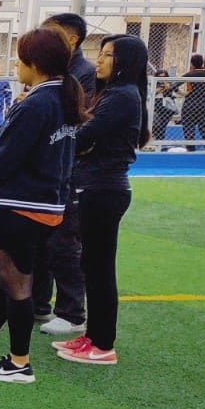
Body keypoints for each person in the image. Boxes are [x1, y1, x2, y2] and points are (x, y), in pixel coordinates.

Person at [0, 27, 83, 384]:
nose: (17, 67)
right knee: (8, 279)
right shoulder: (64, 98)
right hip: (48, 205)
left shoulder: (37, 103)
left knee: (16, 284)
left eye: (21, 60)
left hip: (22, 203)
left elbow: (9, 156)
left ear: (34, 63)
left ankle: (19, 362)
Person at [54, 34, 149, 366]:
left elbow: (84, 135)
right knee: (91, 265)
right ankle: (93, 335)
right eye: (102, 53)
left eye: (109, 55)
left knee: (99, 268)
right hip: (98, 186)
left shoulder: (122, 96)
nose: (101, 60)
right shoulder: (114, 94)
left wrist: (58, 131)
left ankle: (103, 343)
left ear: (125, 62)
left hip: (104, 189)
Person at [32, 12, 96, 334]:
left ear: (71, 39)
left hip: (73, 172)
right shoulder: (57, 73)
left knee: (64, 242)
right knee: (43, 239)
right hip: (53, 169)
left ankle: (71, 312)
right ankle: (38, 304)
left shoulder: (83, 74)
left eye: (51, 33)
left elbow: (76, 123)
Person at [179, 54, 205, 149]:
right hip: (203, 104)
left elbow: (173, 86)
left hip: (190, 104)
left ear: (192, 63)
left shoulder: (189, 74)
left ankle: (190, 149)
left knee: (188, 128)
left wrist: (183, 93)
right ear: (202, 62)